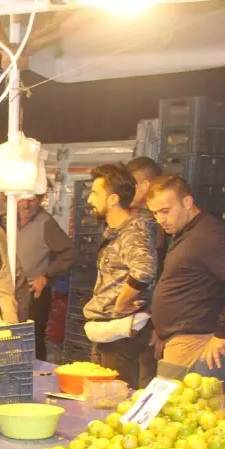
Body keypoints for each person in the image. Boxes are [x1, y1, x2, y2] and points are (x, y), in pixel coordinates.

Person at [146, 175, 225, 374]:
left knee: (182, 405)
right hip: (179, 343)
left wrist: (223, 334)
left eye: (165, 211)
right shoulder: (186, 234)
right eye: (154, 213)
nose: (160, 219)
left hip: (198, 346)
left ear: (187, 202)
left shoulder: (211, 235)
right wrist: (162, 330)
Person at [82, 164, 160, 388]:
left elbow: (144, 269)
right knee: (100, 398)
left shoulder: (134, 231)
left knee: (115, 401)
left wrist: (122, 301)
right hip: (107, 334)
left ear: (113, 199)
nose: (89, 199)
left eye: (96, 193)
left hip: (121, 338)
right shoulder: (115, 233)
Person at [15, 193, 76, 360]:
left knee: (32, 344)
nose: (26, 204)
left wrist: (46, 276)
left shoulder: (46, 223)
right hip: (9, 292)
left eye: (32, 199)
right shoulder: (8, 220)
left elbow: (70, 252)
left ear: (41, 199)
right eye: (22, 199)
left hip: (34, 293)